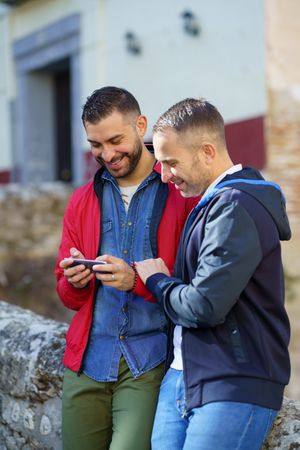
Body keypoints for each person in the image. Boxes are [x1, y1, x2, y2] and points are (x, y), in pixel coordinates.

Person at [135, 97, 291, 450]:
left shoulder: (236, 205)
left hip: (233, 383)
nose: (163, 174)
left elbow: (204, 305)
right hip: (183, 378)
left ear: (207, 151)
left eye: (171, 162)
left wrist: (157, 281)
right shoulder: (213, 203)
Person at [55, 87, 198, 450]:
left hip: (148, 362)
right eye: (96, 145)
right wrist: (76, 281)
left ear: (140, 125)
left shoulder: (181, 194)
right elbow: (67, 296)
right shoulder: (81, 200)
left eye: (115, 140)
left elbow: (196, 286)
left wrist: (137, 281)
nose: (106, 154)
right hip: (86, 362)